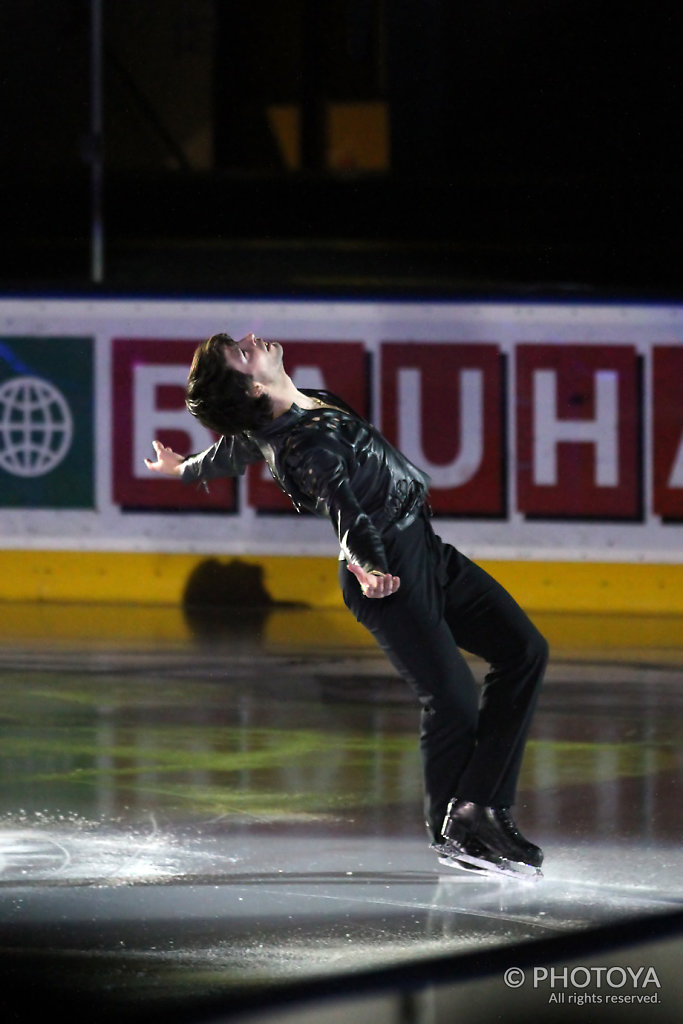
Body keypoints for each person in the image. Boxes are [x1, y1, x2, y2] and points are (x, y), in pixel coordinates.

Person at [145, 332, 549, 878]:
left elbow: (233, 449)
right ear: (255, 387)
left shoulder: (305, 403)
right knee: (452, 700)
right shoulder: (304, 449)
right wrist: (371, 565)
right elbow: (346, 513)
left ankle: (481, 809)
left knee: (523, 650)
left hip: (422, 548)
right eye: (242, 354)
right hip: (383, 572)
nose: (251, 340)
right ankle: (453, 830)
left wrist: (183, 469)